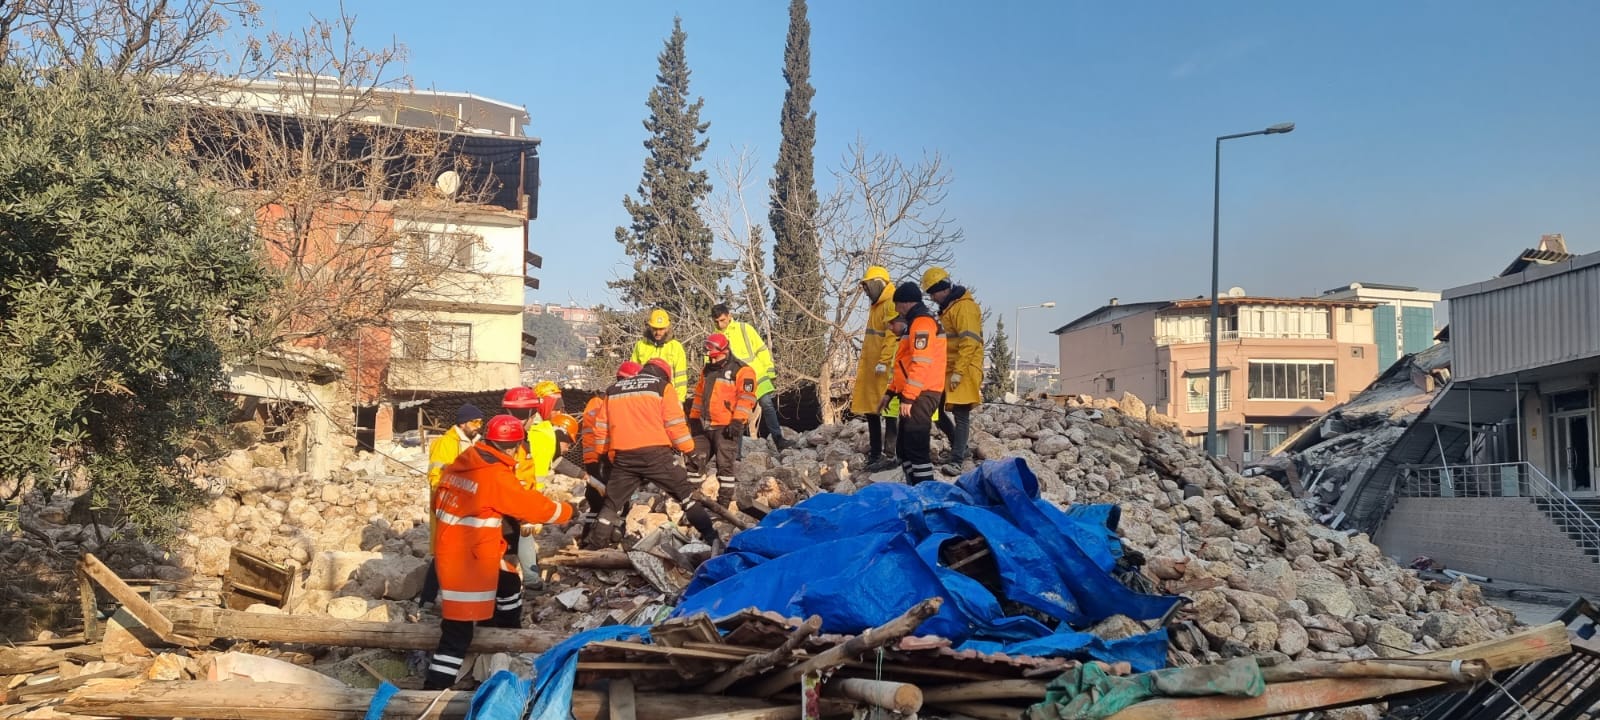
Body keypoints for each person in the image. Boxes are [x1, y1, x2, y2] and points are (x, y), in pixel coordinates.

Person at [424, 414, 576, 690]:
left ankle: (506, 635)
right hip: (469, 562)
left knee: (509, 584)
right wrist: (567, 511)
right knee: (456, 636)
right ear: (512, 446)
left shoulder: (463, 463)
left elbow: (440, 504)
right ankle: (432, 691)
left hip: (459, 552)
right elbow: (531, 506)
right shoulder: (493, 476)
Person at [587, 358, 719, 549]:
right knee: (686, 496)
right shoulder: (661, 387)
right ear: (665, 375)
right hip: (656, 455)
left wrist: (603, 455)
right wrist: (690, 451)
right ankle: (712, 538)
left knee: (611, 504)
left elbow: (601, 428)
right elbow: (675, 426)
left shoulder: (614, 390)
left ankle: (595, 547)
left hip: (624, 457)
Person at [880, 281, 946, 486]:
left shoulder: (922, 323)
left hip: (922, 393)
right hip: (916, 391)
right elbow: (904, 365)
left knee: (916, 447)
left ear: (905, 303)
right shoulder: (916, 323)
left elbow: (921, 363)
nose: (898, 312)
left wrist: (909, 396)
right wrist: (890, 392)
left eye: (898, 306)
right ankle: (914, 487)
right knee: (904, 448)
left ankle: (925, 491)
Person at [419, 403, 484, 606]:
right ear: (463, 423)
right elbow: (436, 476)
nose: (478, 426)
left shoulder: (477, 443)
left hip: (470, 505)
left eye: (480, 422)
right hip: (449, 507)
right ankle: (428, 600)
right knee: (444, 553)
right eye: (475, 422)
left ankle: (457, 597)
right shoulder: (445, 443)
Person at [922, 267, 984, 476]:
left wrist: (959, 371)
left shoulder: (964, 308)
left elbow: (969, 342)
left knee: (961, 414)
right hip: (950, 368)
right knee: (937, 411)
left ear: (942, 288)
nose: (932, 297)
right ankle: (960, 448)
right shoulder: (950, 309)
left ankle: (958, 459)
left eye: (933, 292)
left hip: (965, 368)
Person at [688, 333, 758, 499]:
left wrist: (737, 420)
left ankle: (724, 503)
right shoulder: (707, 370)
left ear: (724, 351)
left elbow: (747, 398)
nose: (712, 361)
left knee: (724, 466)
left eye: (714, 357)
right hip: (704, 426)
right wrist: (693, 418)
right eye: (709, 358)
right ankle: (691, 501)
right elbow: (699, 395)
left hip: (726, 427)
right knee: (694, 461)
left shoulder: (742, 370)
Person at [710, 303, 787, 450]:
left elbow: (761, 349)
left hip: (757, 375)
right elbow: (711, 360)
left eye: (722, 320)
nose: (720, 324)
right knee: (737, 415)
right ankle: (736, 453)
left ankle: (779, 440)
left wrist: (770, 370)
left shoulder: (744, 329)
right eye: (716, 322)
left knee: (767, 405)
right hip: (734, 381)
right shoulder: (715, 338)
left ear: (729, 316)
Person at [579, 362, 642, 530]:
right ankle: (605, 536)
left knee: (598, 499)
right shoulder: (609, 402)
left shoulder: (602, 400)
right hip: (603, 458)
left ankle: (592, 537)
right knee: (610, 499)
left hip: (597, 458)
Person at [851, 266, 900, 472]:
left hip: (885, 369)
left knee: (889, 412)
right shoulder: (877, 305)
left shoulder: (891, 302)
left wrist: (885, 360)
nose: (866, 291)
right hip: (874, 368)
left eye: (867, 286)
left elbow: (892, 336)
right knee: (872, 411)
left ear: (878, 283)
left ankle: (890, 455)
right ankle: (875, 453)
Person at [630, 308, 689, 402]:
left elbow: (680, 378)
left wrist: (679, 400)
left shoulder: (676, 347)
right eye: (655, 329)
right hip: (644, 397)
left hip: (667, 397)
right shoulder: (640, 345)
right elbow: (632, 373)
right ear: (649, 327)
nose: (658, 332)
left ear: (668, 327)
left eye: (661, 329)